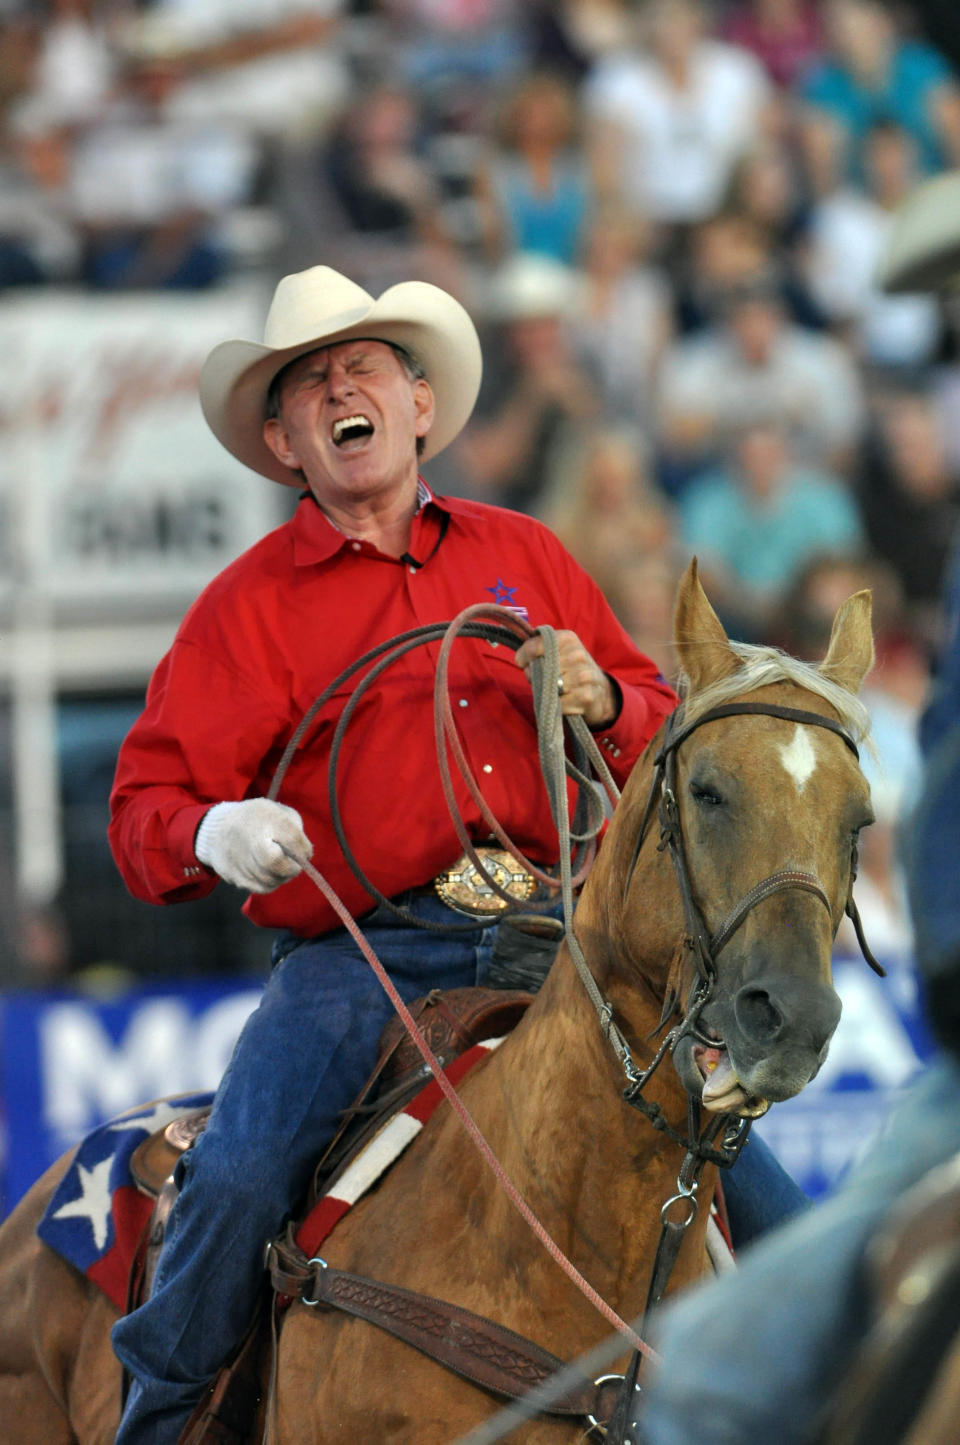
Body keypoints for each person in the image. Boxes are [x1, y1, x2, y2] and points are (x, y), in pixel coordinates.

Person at [106, 262, 683, 1441]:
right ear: (283, 440)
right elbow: (141, 809)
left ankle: (834, 1380)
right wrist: (216, 827)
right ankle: (160, 1423)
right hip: (362, 956)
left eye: (362, 366)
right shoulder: (247, 606)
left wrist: (609, 701)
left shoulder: (526, 548)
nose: (338, 389)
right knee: (240, 1173)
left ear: (419, 403)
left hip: (551, 934)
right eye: (308, 384)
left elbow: (669, 727)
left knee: (732, 1157)